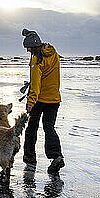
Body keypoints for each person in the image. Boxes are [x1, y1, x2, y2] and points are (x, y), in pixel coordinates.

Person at [21, 28, 65, 174]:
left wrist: (30, 103)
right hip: (54, 99)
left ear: (34, 46)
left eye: (28, 47)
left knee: (31, 128)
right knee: (49, 127)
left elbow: (36, 84)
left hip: (39, 99)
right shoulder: (54, 54)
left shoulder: (36, 60)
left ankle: (29, 157)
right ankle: (56, 156)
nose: (27, 50)